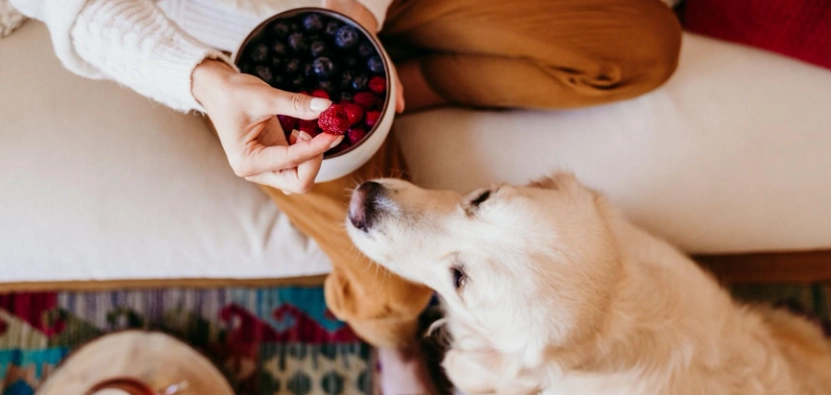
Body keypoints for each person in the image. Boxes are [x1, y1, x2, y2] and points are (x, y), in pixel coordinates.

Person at [10, 0, 681, 392]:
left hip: (356, 7)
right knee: (395, 292)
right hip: (220, 42)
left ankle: (403, 90)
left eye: (482, 200)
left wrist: (362, 9)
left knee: (640, 47)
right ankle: (395, 344)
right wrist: (202, 80)